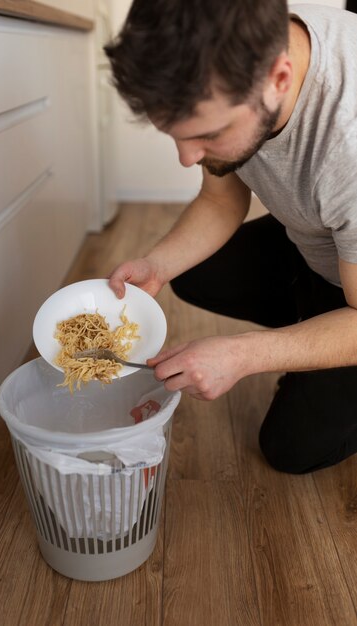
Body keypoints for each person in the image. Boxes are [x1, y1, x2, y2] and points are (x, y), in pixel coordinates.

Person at [104, 1, 357, 474]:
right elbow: (221, 200)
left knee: (290, 449)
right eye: (174, 135)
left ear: (279, 79)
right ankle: (312, 321)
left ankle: (320, 330)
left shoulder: (350, 140)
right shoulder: (236, 57)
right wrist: (157, 265)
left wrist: (244, 354)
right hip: (323, 246)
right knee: (189, 271)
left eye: (208, 135)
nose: (186, 158)